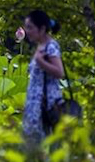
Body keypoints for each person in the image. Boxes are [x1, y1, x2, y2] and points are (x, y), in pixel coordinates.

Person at [22, 10, 64, 146]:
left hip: (45, 104)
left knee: (44, 144)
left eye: (30, 27)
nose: (27, 31)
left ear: (42, 29)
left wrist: (41, 63)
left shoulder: (51, 46)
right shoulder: (41, 46)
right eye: (26, 27)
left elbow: (59, 72)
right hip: (35, 104)